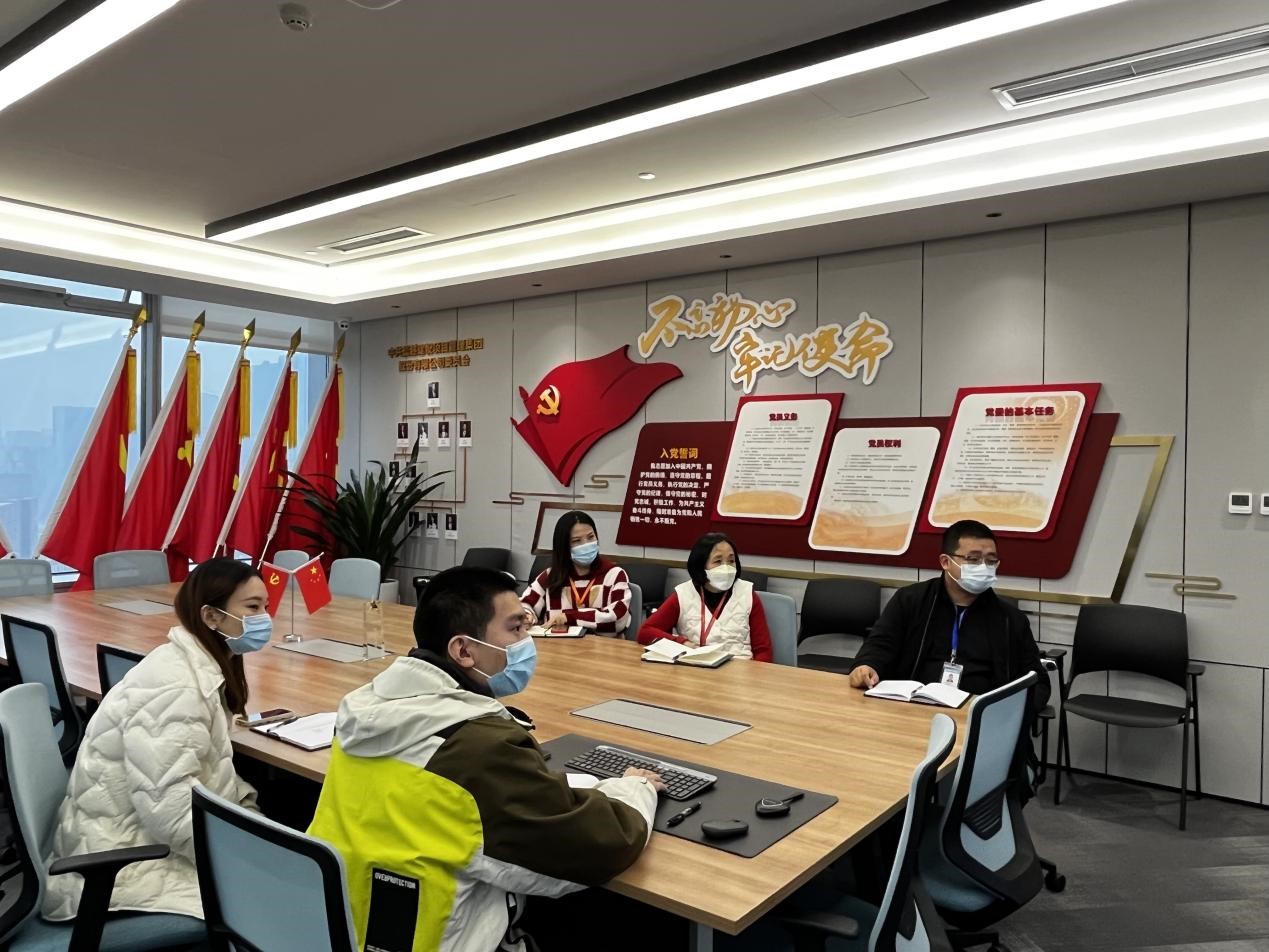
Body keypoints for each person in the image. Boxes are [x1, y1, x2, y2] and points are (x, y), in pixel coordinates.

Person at [308, 566, 660, 952]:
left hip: (343, 925)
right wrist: (635, 788)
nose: (527, 640)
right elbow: (597, 848)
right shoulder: (478, 748)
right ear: (463, 650)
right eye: (515, 629)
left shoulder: (363, 710)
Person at [42, 557, 266, 923]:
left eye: (266, 607)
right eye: (253, 607)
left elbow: (203, 771)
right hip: (124, 864)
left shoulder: (192, 663)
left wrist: (248, 813)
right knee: (275, 900)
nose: (264, 618)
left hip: (132, 834)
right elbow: (171, 811)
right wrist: (247, 857)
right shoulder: (177, 686)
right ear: (211, 616)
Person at [848, 519, 1050, 711]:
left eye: (991, 561)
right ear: (945, 562)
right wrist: (867, 666)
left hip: (979, 716)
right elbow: (879, 645)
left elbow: (1037, 682)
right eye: (973, 559)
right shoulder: (911, 600)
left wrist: (1009, 714)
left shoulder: (1010, 619)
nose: (983, 567)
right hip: (910, 709)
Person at [638, 531, 773, 662]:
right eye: (718, 561)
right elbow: (645, 632)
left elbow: (763, 651)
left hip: (740, 671)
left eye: (731, 561)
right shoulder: (683, 594)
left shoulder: (747, 594)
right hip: (695, 669)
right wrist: (682, 642)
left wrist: (755, 674)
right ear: (701, 565)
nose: (726, 568)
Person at [520, 510, 633, 636]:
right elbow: (525, 604)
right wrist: (526, 616)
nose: (586, 544)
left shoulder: (614, 574)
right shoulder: (551, 576)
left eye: (591, 537)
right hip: (557, 645)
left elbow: (618, 618)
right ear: (564, 547)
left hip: (603, 646)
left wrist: (569, 617)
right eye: (576, 541)